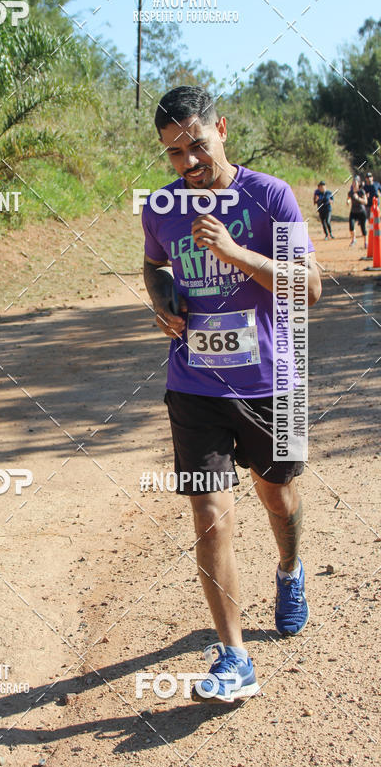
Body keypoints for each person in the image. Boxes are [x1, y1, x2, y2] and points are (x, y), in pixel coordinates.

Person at [142, 86, 321, 703]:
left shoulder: (270, 195)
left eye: (196, 144)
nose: (189, 162)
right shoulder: (161, 206)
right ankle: (234, 657)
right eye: (174, 153)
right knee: (209, 513)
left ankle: (289, 570)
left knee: (278, 496)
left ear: (220, 128)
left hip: (273, 381)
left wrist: (235, 252)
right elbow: (154, 265)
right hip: (193, 382)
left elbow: (310, 288)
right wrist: (162, 300)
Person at [347, 175, 367, 248]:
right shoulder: (350, 192)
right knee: (351, 227)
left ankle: (365, 242)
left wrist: (358, 198)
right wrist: (348, 201)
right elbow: (348, 198)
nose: (354, 184)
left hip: (361, 211)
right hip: (353, 212)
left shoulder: (361, 191)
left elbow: (365, 202)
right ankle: (354, 239)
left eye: (355, 183)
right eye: (353, 183)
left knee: (363, 228)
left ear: (358, 183)